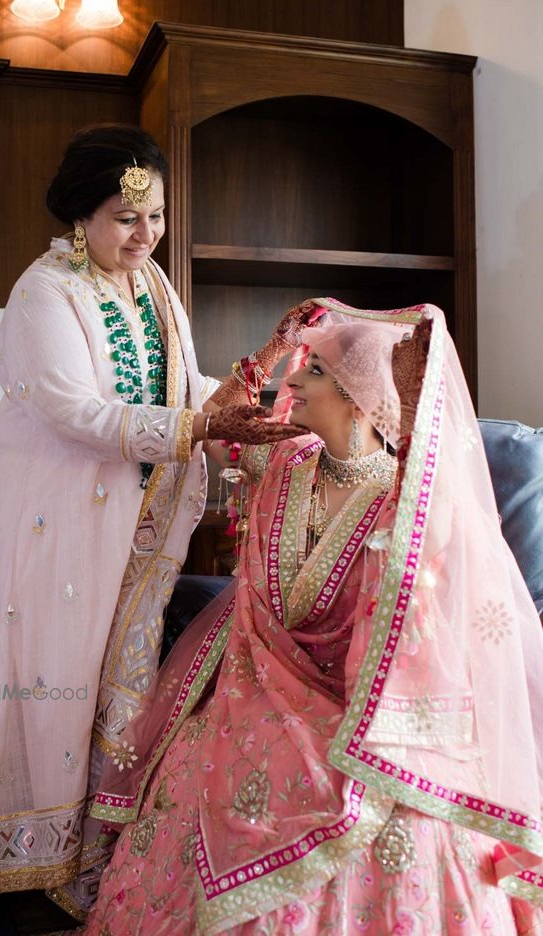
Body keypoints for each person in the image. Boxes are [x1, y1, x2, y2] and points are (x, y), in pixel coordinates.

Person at [84, 299, 543, 935]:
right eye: (298, 367)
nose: (291, 382)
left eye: (315, 371)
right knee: (205, 753)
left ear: (360, 395)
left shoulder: (407, 506)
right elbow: (222, 422)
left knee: (396, 809)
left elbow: (425, 639)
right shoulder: (281, 460)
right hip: (259, 681)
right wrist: (273, 346)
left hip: (364, 706)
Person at [0, 124, 311, 923]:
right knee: (48, 682)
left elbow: (179, 384)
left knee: (113, 692)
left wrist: (240, 402)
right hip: (61, 525)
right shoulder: (48, 290)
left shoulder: (152, 288)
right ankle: (21, 875)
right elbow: (78, 410)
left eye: (157, 218)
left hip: (138, 530)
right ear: (82, 216)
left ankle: (86, 867)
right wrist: (201, 428)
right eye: (125, 218)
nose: (145, 236)